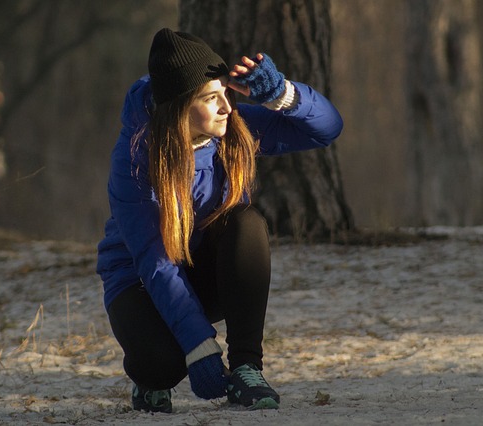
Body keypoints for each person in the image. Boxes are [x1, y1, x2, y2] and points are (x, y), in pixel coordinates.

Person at [96, 28, 343, 413]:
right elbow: (154, 259)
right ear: (179, 107)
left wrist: (283, 96)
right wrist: (200, 347)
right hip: (139, 282)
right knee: (162, 365)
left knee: (246, 224)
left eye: (226, 93)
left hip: (204, 270)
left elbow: (328, 129)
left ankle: (247, 369)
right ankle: (148, 381)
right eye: (211, 99)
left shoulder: (231, 126)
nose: (226, 107)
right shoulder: (135, 157)